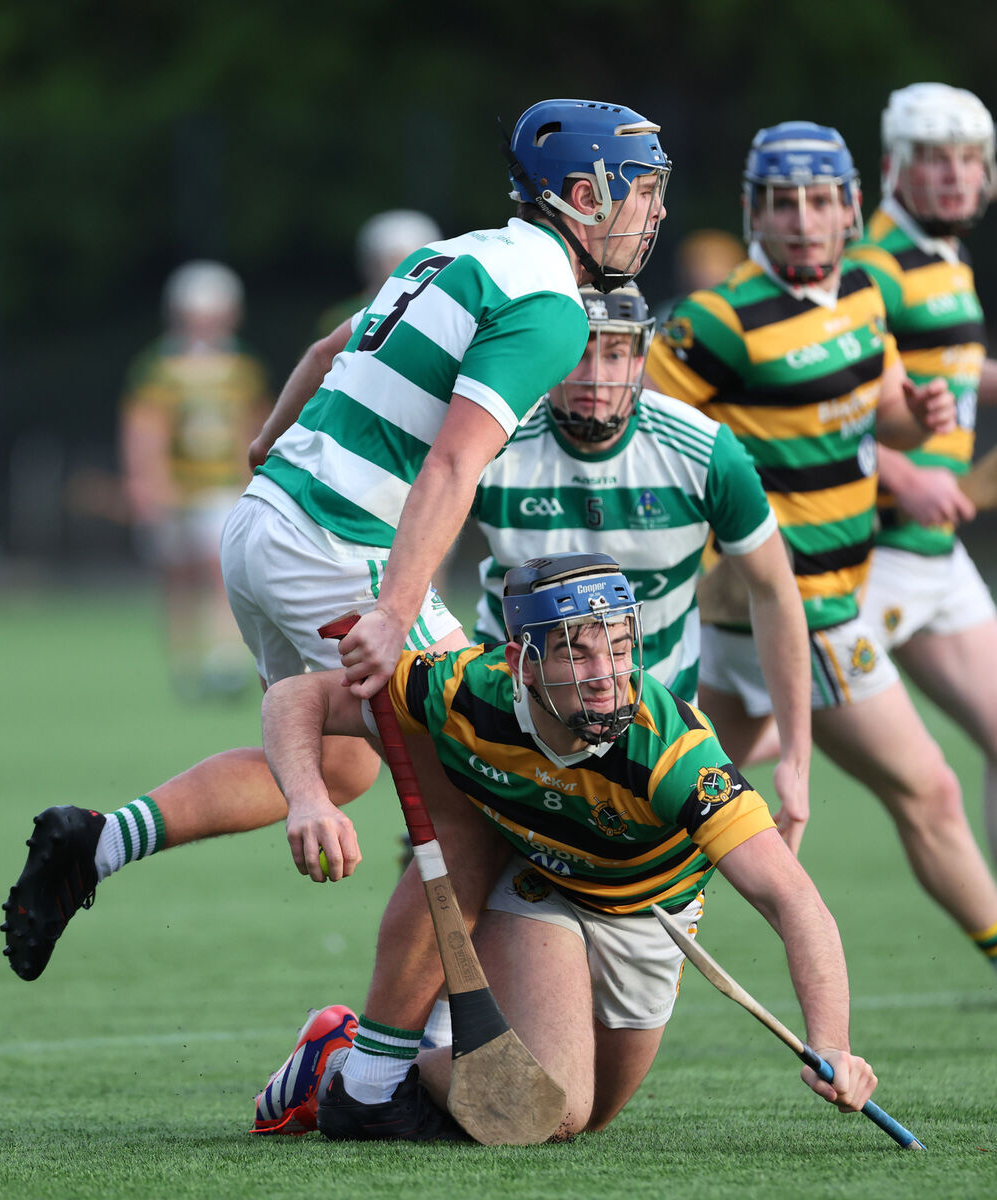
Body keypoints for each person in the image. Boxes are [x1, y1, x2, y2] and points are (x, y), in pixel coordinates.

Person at [1, 98, 672, 983]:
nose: (655, 212)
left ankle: (95, 844)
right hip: (336, 545)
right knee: (475, 783)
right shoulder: (550, 309)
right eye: (642, 192)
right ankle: (386, 1059)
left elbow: (324, 350)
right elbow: (449, 468)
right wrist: (395, 610)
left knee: (343, 763)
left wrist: (262, 443)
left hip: (262, 523)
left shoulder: (456, 254)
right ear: (582, 195)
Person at [251, 552, 878, 1142]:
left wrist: (834, 1043)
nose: (606, 676)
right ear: (523, 662)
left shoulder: (673, 753)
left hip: (652, 915)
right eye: (575, 653)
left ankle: (371, 1069)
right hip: (540, 891)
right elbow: (296, 696)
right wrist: (309, 798)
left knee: (592, 1116)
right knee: (552, 1104)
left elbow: (790, 897)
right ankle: (352, 1073)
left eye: (621, 648)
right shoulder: (465, 692)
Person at [646, 120, 997, 973]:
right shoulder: (717, 322)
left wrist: (920, 421)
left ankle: (601, 928)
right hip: (799, 605)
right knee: (931, 791)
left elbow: (877, 401)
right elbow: (639, 431)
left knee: (671, 803)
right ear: (749, 213)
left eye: (814, 202)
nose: (799, 221)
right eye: (777, 204)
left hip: (775, 607)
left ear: (848, 210)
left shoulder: (858, 299)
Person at [471, 282, 812, 849]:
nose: (596, 376)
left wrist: (797, 762)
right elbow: (410, 552)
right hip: (510, 718)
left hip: (655, 731)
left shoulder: (704, 451)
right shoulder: (492, 440)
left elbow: (775, 592)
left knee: (639, 921)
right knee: (467, 896)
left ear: (641, 354)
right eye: (579, 350)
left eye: (614, 351)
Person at [848, 83, 997, 877]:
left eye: (967, 159)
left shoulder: (946, 256)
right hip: (871, 553)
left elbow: (949, 367)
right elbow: (823, 402)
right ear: (893, 166)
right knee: (747, 735)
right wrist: (901, 471)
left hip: (936, 558)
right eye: (934, 158)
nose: (953, 175)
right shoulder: (872, 269)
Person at [120, 260, 271, 697]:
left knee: (219, 568)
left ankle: (221, 658)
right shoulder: (159, 367)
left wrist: (255, 479)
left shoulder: (243, 367)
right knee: (178, 574)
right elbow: (145, 426)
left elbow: (256, 424)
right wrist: (145, 480)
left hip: (224, 484)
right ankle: (184, 661)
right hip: (175, 486)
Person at [318, 209, 443, 335]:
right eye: (395, 259)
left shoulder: (443, 314)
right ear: (373, 263)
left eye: (415, 261)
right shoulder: (343, 317)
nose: (406, 270)